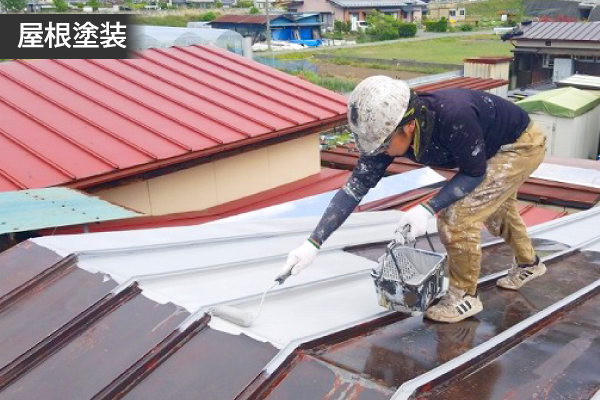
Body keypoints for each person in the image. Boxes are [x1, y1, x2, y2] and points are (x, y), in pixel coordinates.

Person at [278, 76, 547, 324]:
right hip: (488, 145)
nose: (378, 152)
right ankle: (529, 264)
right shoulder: (391, 127)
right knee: (495, 209)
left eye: (382, 145)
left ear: (408, 127)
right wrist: (313, 243)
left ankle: (464, 296)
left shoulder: (453, 116)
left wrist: (427, 208)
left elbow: (473, 173)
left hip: (520, 145)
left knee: (457, 218)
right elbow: (354, 189)